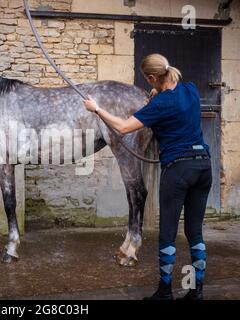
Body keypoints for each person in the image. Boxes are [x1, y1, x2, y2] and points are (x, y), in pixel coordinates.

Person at [83, 53, 212, 300]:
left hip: (179, 170)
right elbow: (174, 99)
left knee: (167, 234)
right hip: (203, 167)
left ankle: (165, 292)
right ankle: (197, 291)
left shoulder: (159, 105)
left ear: (152, 78)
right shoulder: (191, 89)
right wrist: (158, 94)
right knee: (195, 232)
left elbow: (122, 127)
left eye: (149, 81)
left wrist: (97, 109)